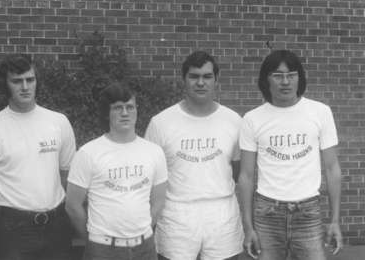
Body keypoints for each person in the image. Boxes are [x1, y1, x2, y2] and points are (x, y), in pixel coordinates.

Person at [0, 54, 76, 259]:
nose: (25, 87)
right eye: (17, 81)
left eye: (30, 79)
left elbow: (67, 174)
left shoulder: (59, 123)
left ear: (36, 82)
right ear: (5, 85)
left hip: (57, 227)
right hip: (11, 233)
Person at [238, 49, 343, 260]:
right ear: (266, 80)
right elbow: (246, 176)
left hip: (308, 213)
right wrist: (248, 227)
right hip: (267, 214)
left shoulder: (320, 112)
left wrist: (335, 220)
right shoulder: (252, 119)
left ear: (299, 78)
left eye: (291, 75)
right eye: (277, 75)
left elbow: (332, 169)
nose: (285, 81)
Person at [145, 51, 244, 260]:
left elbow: (237, 169)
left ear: (216, 80)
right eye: (194, 76)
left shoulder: (233, 121)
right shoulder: (161, 123)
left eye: (207, 76)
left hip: (222, 214)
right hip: (176, 215)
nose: (201, 82)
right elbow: (150, 178)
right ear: (184, 80)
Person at [65, 82, 168, 260]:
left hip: (145, 249)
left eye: (130, 107)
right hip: (102, 249)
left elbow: (158, 201)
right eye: (117, 108)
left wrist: (140, 231)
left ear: (137, 109)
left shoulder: (154, 152)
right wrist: (93, 241)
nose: (125, 113)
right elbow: (73, 205)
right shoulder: (88, 153)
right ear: (107, 113)